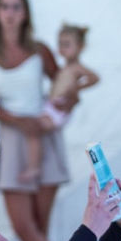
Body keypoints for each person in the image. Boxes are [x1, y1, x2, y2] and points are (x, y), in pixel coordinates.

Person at [0, 0, 68, 241]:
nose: (11, 13)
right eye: (5, 6)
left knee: (39, 228)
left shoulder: (40, 50)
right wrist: (17, 120)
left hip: (43, 137)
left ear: (25, 12)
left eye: (16, 6)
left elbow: (62, 86)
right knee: (24, 229)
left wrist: (61, 106)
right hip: (12, 137)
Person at [20, 23, 100, 182]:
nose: (62, 48)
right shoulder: (65, 67)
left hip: (58, 108)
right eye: (60, 44)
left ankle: (34, 167)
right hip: (52, 105)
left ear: (80, 47)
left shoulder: (77, 68)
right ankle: (35, 165)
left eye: (67, 44)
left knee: (34, 129)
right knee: (33, 129)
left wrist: (77, 87)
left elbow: (95, 78)